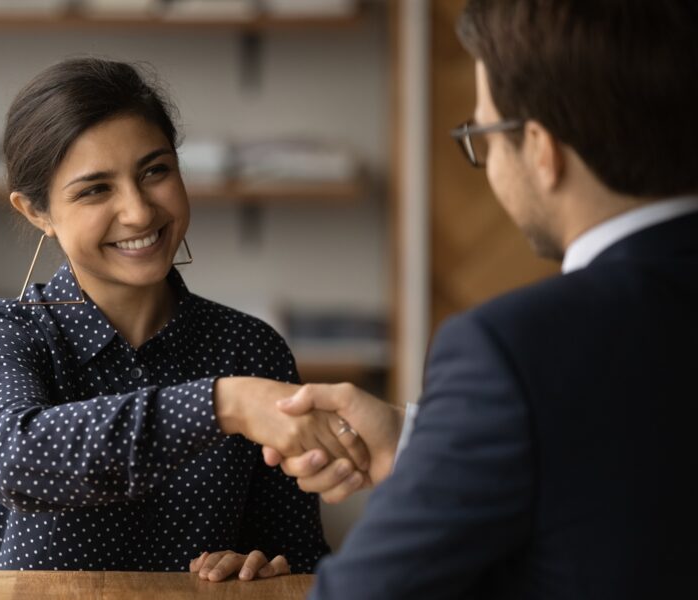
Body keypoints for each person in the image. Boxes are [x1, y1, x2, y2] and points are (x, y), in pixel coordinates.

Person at [258, 0, 698, 597]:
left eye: (484, 134)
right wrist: (422, 441)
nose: (486, 162)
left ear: (542, 150)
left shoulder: (513, 351)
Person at [0, 58, 370, 578]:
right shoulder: (4, 335)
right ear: (37, 213)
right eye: (95, 189)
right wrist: (224, 404)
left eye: (154, 171)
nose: (139, 212)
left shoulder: (252, 349)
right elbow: (17, 461)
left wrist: (266, 567)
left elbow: (303, 559)